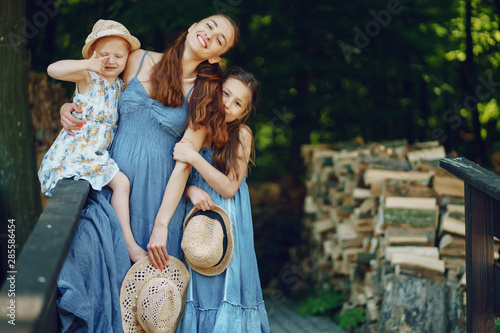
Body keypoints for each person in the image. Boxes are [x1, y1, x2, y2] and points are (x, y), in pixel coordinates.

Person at [57, 14, 239, 332]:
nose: (210, 35)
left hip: (159, 201)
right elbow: (98, 94)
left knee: (143, 305)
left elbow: (184, 162)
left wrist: (161, 226)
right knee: (89, 259)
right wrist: (69, 107)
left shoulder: (205, 94)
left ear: (215, 56)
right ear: (194, 26)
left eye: (219, 39)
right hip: (112, 190)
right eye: (209, 26)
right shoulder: (138, 59)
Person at [38, 19, 148, 263]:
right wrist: (88, 64)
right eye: (104, 54)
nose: (111, 61)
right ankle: (128, 246)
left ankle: (128, 244)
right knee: (112, 186)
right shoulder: (88, 77)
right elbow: (52, 70)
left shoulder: (122, 87)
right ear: (92, 55)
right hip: (77, 152)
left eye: (119, 55)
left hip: (97, 156)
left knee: (122, 184)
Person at [173, 67, 270, 332]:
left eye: (237, 102)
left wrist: (194, 158)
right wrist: (189, 190)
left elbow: (228, 187)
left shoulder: (242, 134)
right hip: (195, 216)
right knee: (197, 282)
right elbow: (172, 174)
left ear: (244, 111)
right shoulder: (195, 123)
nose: (228, 104)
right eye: (225, 94)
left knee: (227, 282)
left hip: (227, 217)